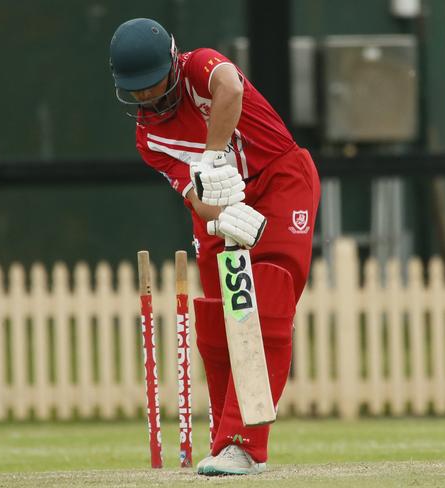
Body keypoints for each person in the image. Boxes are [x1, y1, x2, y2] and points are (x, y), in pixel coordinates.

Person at [109, 18, 320, 476]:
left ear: (171, 62)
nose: (146, 97)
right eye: (136, 90)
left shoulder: (199, 66)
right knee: (222, 316)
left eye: (152, 85)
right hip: (221, 206)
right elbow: (194, 195)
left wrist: (212, 155)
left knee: (266, 300)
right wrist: (223, 215)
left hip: (281, 178)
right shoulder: (149, 139)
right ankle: (225, 442)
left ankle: (245, 445)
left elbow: (231, 89)